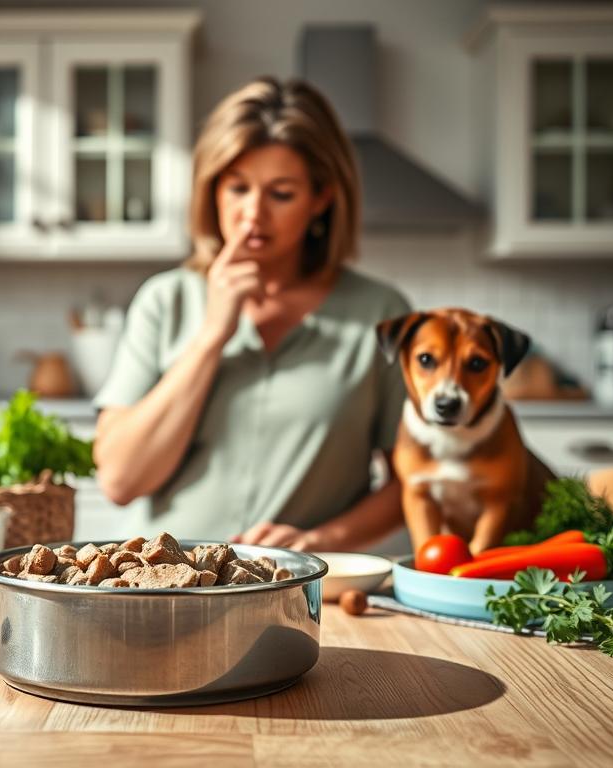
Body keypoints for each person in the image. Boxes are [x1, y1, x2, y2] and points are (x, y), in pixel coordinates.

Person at [92, 76, 411, 552]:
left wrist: (319, 541)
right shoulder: (165, 301)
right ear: (212, 189)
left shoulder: (382, 314)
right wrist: (211, 338)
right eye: (237, 188)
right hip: (166, 592)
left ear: (321, 197)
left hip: (304, 594)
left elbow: (417, 481)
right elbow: (120, 481)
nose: (253, 214)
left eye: (281, 193)